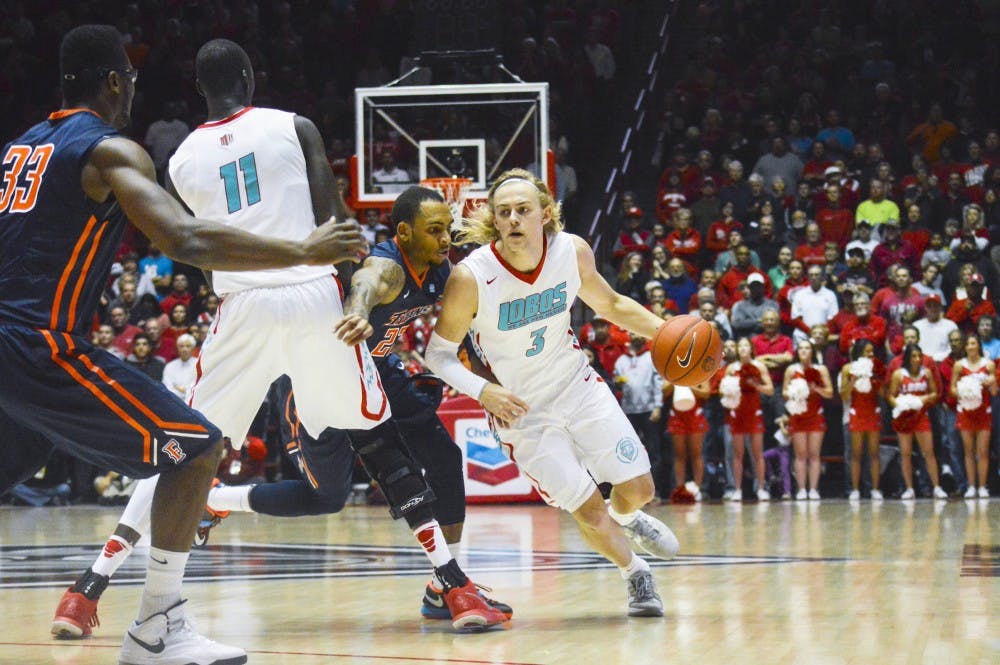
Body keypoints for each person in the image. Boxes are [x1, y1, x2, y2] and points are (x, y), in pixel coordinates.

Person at [53, 41, 509, 639]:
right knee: (374, 435)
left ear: (199, 90)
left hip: (240, 304)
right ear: (250, 76)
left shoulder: (180, 157)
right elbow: (336, 223)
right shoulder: (294, 126)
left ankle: (86, 592)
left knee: (185, 451)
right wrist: (355, 298)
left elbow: (192, 245)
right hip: (313, 294)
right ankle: (455, 589)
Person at [4, 25, 368, 665]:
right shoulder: (110, 150)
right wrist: (303, 250)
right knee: (197, 448)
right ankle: (157, 630)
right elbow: (189, 242)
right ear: (116, 81)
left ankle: (109, 597)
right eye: (132, 81)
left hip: (15, 347)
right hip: (38, 345)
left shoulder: (18, 152)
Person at [425, 168, 679, 618]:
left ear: (546, 213)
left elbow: (614, 305)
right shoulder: (471, 276)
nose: (514, 219)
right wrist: (483, 391)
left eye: (523, 209)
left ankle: (628, 518)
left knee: (638, 490)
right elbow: (438, 355)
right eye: (504, 213)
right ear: (495, 221)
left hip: (577, 386)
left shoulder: (571, 251)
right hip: (523, 414)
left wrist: (669, 334)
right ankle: (635, 572)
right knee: (586, 508)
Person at [887, 344, 947, 500]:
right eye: (914, 356)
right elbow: (890, 396)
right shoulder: (899, 374)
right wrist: (900, 405)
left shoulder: (926, 373)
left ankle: (936, 487)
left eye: (919, 356)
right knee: (905, 453)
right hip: (905, 417)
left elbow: (935, 393)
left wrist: (923, 398)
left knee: (929, 452)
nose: (917, 359)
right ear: (907, 357)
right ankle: (909, 488)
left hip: (921, 416)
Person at [723, 338, 774, 501]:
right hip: (737, 412)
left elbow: (770, 390)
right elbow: (724, 390)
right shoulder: (731, 368)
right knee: (737, 453)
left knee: (757, 452)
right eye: (740, 345)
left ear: (751, 349)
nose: (743, 348)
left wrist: (755, 385)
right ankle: (737, 489)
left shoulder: (759, 366)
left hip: (754, 411)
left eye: (746, 345)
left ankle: (761, 488)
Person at [782, 339, 833, 500]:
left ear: (812, 351)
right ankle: (801, 489)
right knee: (800, 454)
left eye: (807, 348)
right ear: (797, 352)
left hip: (815, 414)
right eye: (801, 348)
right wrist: (795, 393)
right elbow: (783, 392)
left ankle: (814, 489)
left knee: (814, 454)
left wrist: (815, 388)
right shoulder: (791, 370)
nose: (804, 351)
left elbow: (830, 392)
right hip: (798, 414)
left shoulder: (821, 369)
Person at [949, 335, 997, 498]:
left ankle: (982, 486)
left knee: (982, 451)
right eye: (968, 343)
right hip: (966, 412)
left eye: (973, 343)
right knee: (968, 451)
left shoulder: (988, 365)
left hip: (984, 412)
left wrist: (992, 381)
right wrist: (963, 392)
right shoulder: (958, 365)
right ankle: (971, 486)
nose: (970, 346)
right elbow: (952, 389)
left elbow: (995, 392)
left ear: (978, 345)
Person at [839, 339, 884, 501]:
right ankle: (855, 490)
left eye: (872, 351)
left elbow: (883, 393)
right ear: (859, 352)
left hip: (872, 410)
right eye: (867, 351)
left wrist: (877, 378)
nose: (871, 354)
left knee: (874, 453)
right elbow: (844, 395)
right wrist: (854, 379)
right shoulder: (847, 369)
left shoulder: (876, 366)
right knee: (856, 454)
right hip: (856, 411)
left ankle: (875, 489)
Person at [664, 376, 711, 501]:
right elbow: (664, 390)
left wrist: (689, 383)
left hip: (695, 416)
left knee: (696, 454)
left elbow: (706, 393)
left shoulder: (698, 371)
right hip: (677, 417)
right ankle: (680, 489)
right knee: (679, 455)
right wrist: (676, 380)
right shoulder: (671, 371)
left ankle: (697, 489)